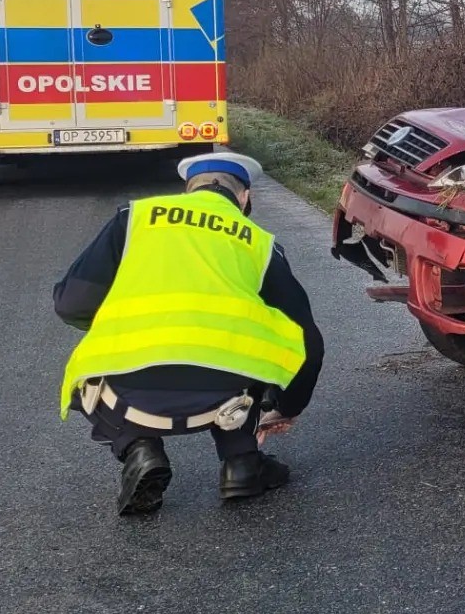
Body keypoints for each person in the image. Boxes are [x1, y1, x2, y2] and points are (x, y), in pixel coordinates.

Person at [53, 152, 325, 516]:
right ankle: (242, 463)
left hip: (129, 395)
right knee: (258, 341)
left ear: (188, 189)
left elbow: (71, 304)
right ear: (244, 198)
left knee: (92, 362)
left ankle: (139, 448)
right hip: (225, 398)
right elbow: (307, 340)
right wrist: (288, 406)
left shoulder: (134, 219)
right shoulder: (260, 243)